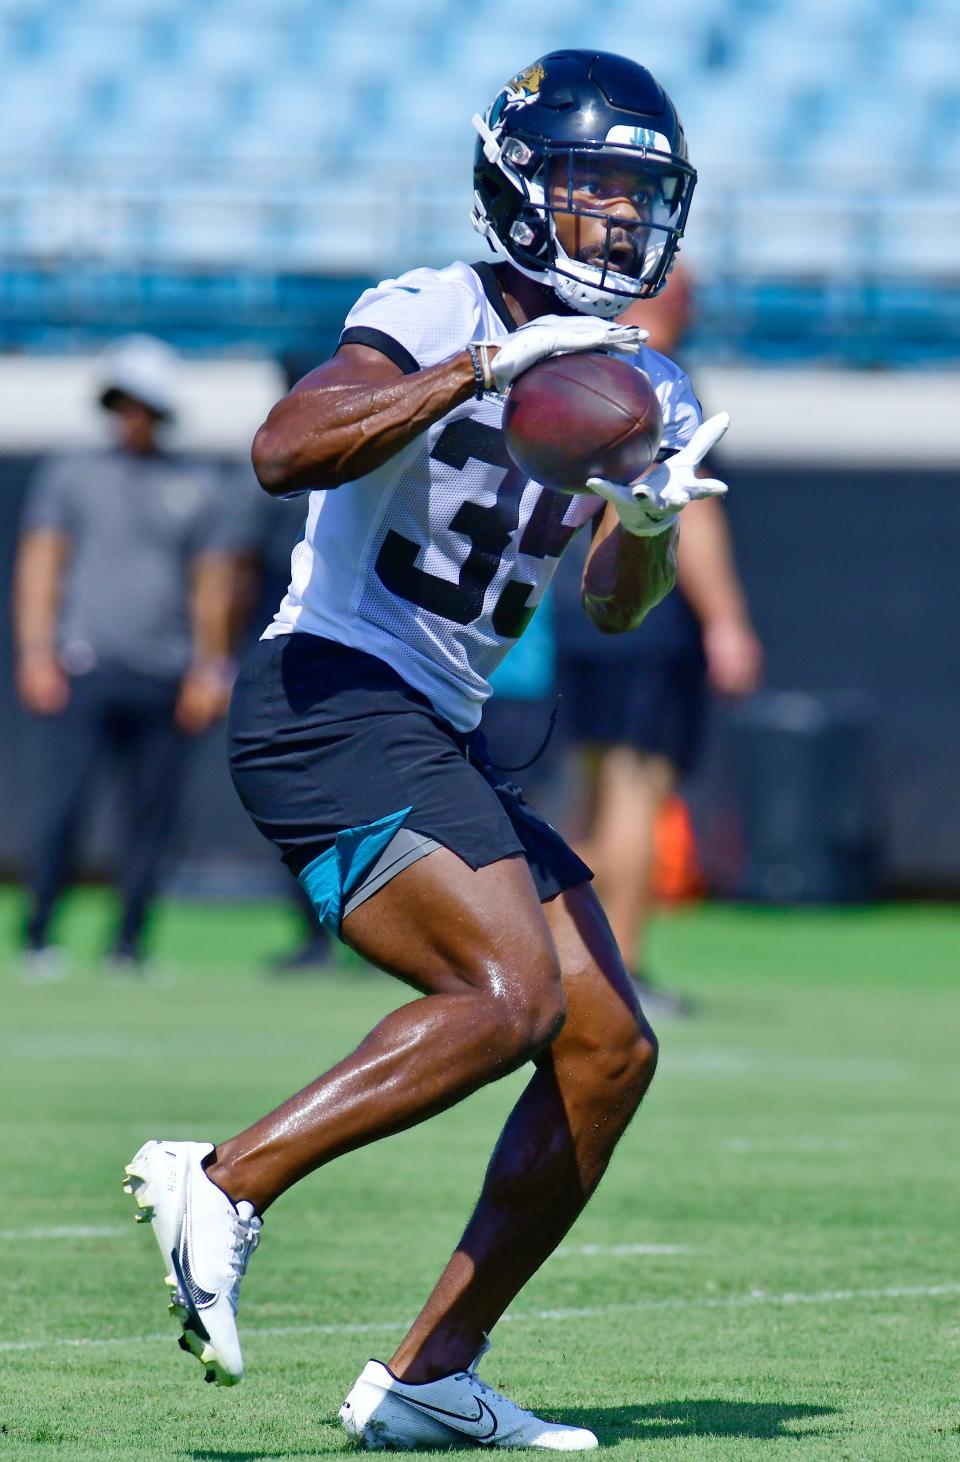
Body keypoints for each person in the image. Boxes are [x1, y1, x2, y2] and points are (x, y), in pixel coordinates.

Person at [123, 52, 730, 1449]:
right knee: (509, 992)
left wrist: (645, 527)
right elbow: (284, 450)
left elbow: (614, 607)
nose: (621, 224)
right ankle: (226, 1178)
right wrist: (482, 366)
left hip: (434, 724)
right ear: (519, 189)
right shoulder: (430, 308)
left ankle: (429, 1374)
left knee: (606, 1047)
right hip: (329, 694)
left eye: (641, 197)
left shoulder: (645, 383)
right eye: (593, 192)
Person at [555, 266, 763, 1015]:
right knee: (636, 786)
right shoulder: (661, 384)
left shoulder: (588, 373)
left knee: (587, 788)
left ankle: (567, 961)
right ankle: (623, 967)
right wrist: (727, 623)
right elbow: (689, 512)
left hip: (581, 609)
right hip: (645, 612)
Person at [14, 335, 237, 978]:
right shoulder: (72, 474)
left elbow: (211, 584)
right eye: (122, 403)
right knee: (63, 807)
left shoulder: (196, 483)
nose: (130, 417)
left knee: (152, 817)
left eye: (142, 404)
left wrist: (208, 665)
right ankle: (37, 935)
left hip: (165, 674)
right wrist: (36, 652)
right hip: (85, 665)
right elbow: (41, 566)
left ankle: (129, 943)